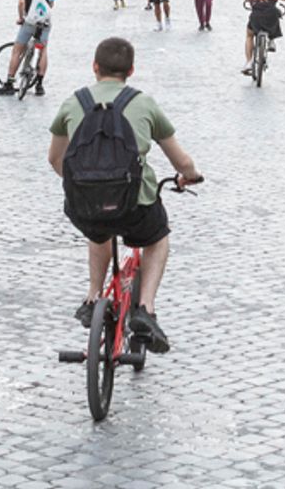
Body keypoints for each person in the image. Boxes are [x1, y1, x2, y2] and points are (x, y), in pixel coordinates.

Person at [47, 36, 203, 353]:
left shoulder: (73, 103)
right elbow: (181, 160)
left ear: (94, 67)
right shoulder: (143, 103)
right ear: (131, 70)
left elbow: (54, 159)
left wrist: (83, 184)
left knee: (98, 227)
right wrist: (189, 176)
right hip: (135, 204)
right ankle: (145, 308)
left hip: (86, 204)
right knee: (157, 237)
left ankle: (93, 297)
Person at [0, 0, 55, 96]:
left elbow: (21, 1)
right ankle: (39, 85)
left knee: (17, 50)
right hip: (44, 21)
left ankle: (9, 82)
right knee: (42, 49)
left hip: (30, 21)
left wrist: (21, 17)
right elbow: (52, 2)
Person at [242, 0, 285, 74]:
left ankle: (248, 61)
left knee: (249, 35)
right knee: (276, 15)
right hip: (271, 12)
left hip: (256, 14)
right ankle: (272, 40)